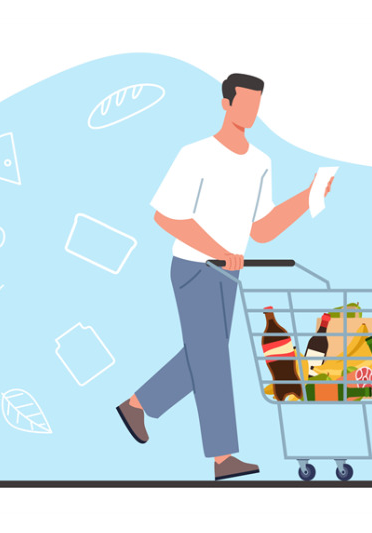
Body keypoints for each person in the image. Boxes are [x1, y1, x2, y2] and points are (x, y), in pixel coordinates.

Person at [116, 73, 334, 480]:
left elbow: (263, 230)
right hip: (194, 269)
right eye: (244, 104)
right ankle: (222, 458)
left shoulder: (261, 163)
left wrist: (307, 197)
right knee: (212, 360)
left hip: (229, 276)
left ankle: (136, 405)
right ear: (225, 103)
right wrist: (218, 251)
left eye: (256, 105)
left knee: (202, 358)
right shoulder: (195, 154)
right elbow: (166, 216)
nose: (250, 112)